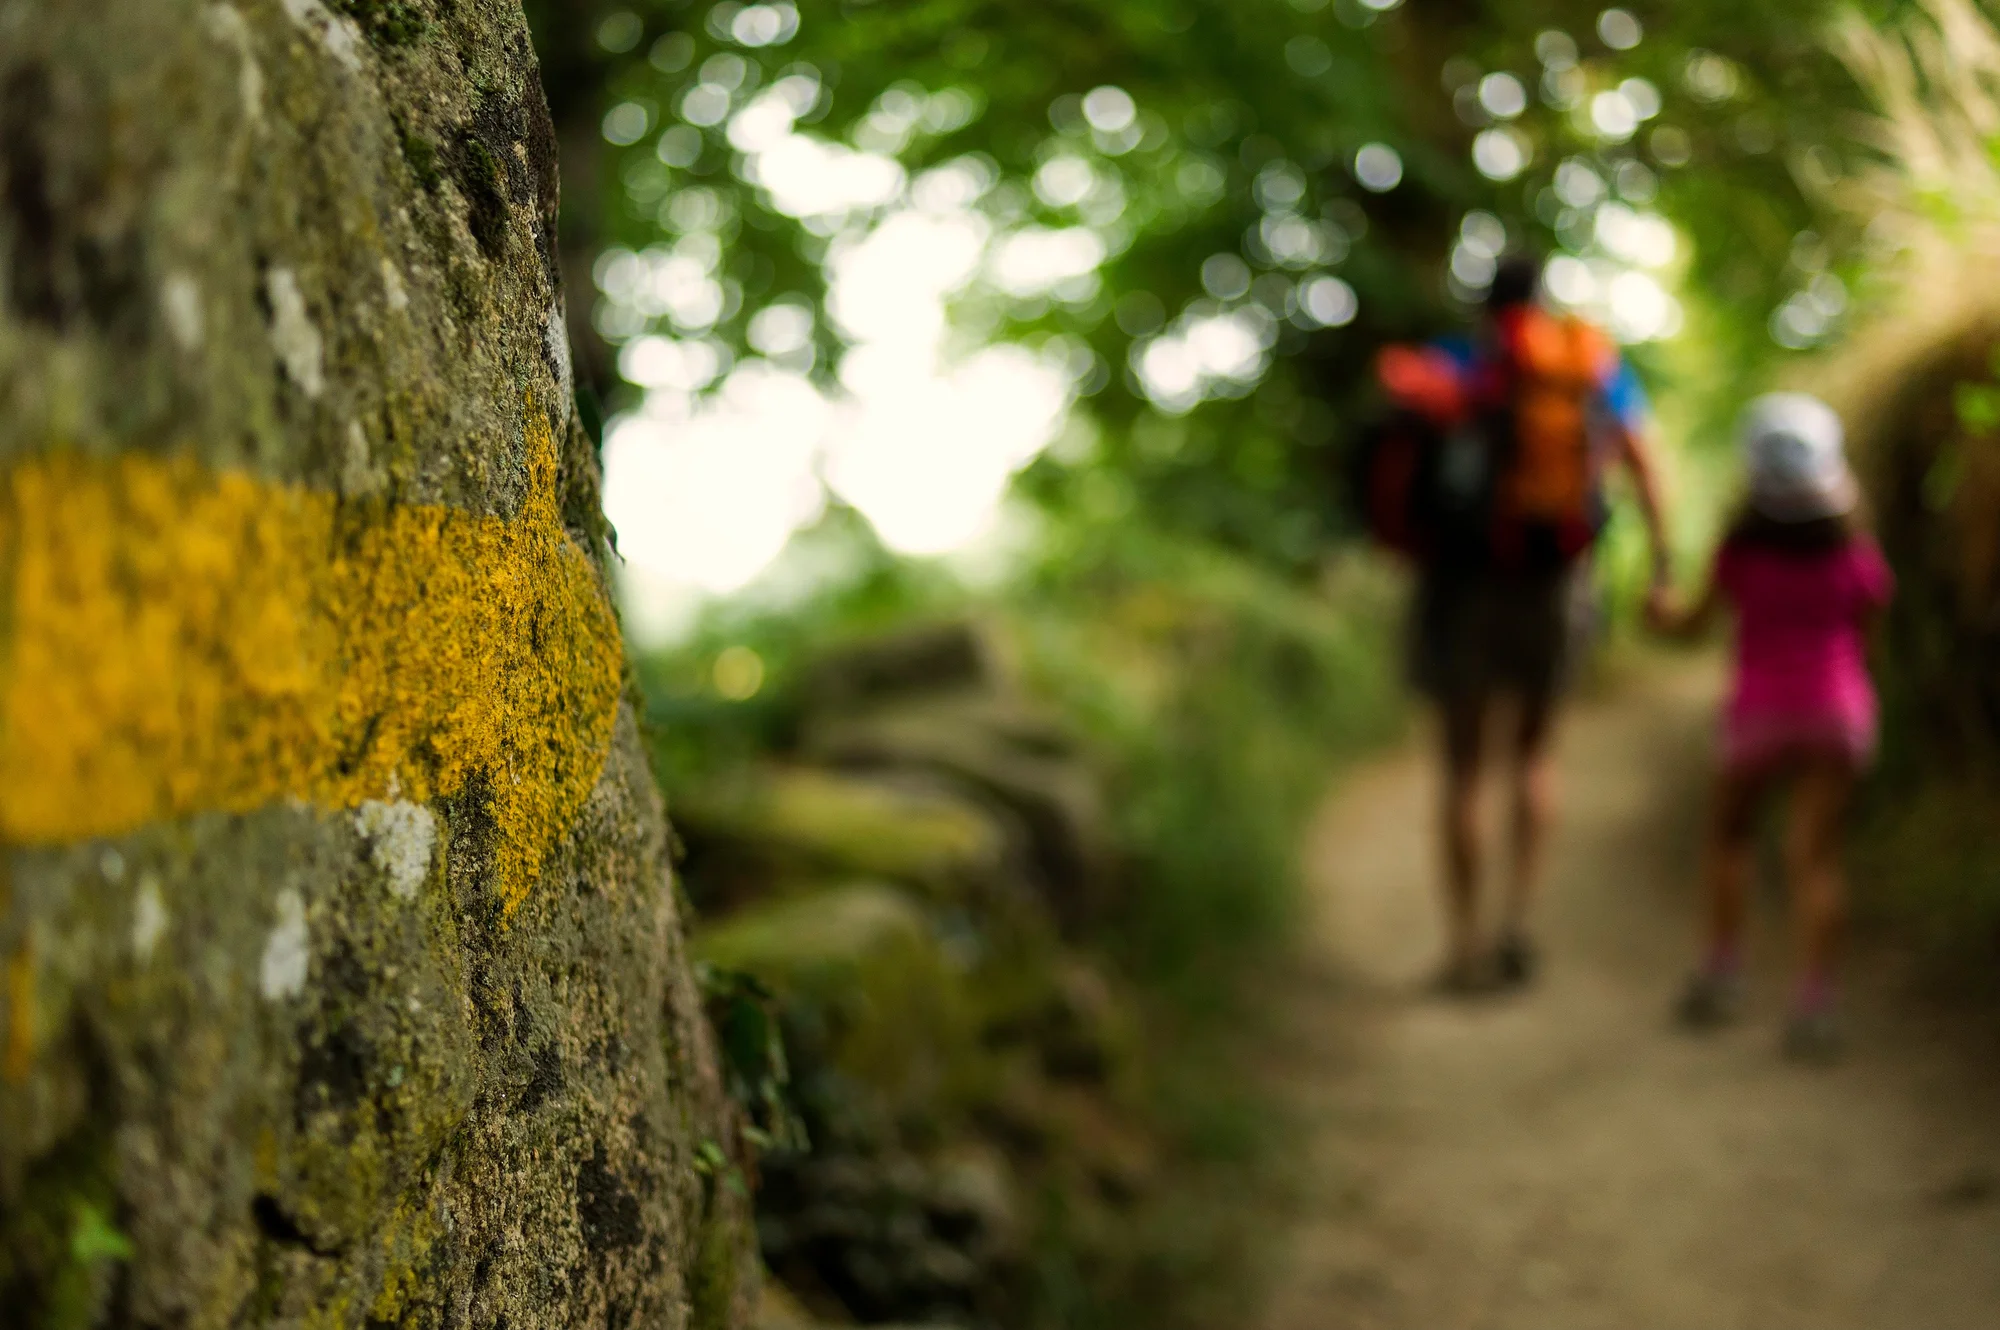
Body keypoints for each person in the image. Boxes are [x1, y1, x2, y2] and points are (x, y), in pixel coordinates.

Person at [1410, 254, 1672, 992]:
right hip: (1557, 580)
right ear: (1542, 301)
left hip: (1460, 585)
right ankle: (1514, 925)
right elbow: (1642, 459)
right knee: (1532, 756)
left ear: (1482, 304)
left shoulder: (1455, 361)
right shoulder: (1585, 361)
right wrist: (1661, 563)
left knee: (1462, 767)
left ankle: (1461, 948)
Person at [1647, 393, 1892, 1061]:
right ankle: (1815, 1004)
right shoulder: (1854, 554)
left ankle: (1723, 973)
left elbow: (1693, 626)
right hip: (1838, 711)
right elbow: (1869, 632)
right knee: (1816, 858)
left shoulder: (1740, 553)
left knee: (1730, 837)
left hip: (1757, 714)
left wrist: (1658, 609)